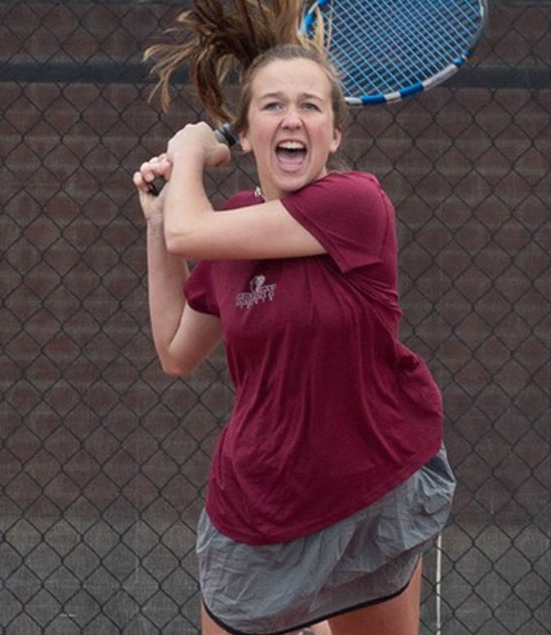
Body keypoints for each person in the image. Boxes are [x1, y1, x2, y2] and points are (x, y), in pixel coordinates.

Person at [132, 1, 455, 634]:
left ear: (334, 133)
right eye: (273, 104)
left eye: (311, 105)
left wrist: (187, 148)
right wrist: (156, 223)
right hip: (260, 507)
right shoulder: (229, 234)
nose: (293, 117)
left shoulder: (355, 203)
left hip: (370, 489)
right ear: (248, 132)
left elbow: (191, 229)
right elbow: (175, 350)